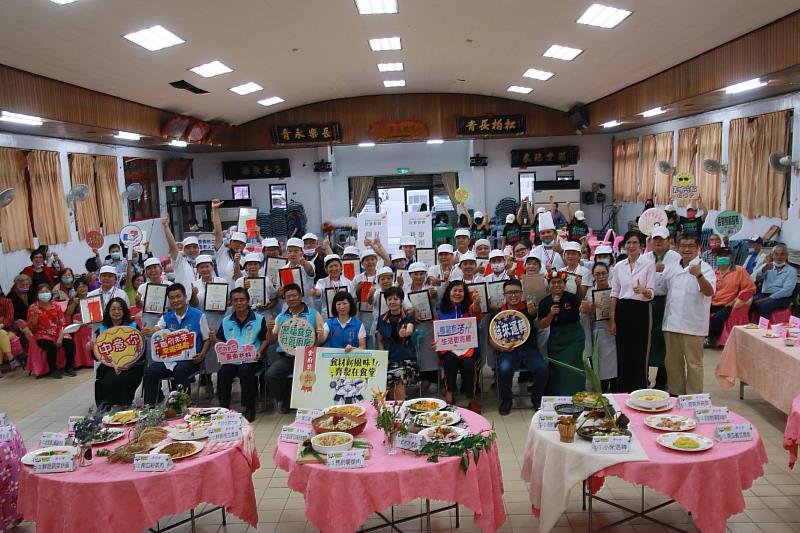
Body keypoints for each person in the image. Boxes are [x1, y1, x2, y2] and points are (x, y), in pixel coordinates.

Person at [662, 234, 716, 395]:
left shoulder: (705, 268)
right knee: (672, 363)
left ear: (698, 248)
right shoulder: (672, 267)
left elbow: (709, 292)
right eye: (683, 246)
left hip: (693, 326)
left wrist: (698, 275)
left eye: (691, 246)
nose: (686, 249)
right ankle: (675, 393)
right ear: (677, 248)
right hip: (671, 324)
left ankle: (694, 398)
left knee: (694, 364)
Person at [141, 284, 211, 405]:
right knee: (150, 371)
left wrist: (202, 354)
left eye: (178, 296)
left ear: (185, 297)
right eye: (172, 298)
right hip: (169, 359)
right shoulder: (167, 317)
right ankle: (149, 407)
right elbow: (157, 328)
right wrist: (150, 331)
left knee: (180, 370)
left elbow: (207, 339)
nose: (175, 300)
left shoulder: (198, 315)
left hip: (192, 359)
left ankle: (184, 406)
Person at [490, 278, 547, 415]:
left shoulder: (530, 309)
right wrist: (501, 348)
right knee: (504, 370)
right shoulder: (498, 313)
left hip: (529, 350)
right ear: (504, 295)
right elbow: (491, 339)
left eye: (516, 292)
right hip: (508, 352)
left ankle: (537, 399)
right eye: (509, 293)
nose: (513, 295)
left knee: (542, 368)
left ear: (522, 293)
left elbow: (538, 321)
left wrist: (534, 313)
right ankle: (507, 400)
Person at [610, 230, 655, 392]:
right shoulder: (618, 266)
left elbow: (651, 293)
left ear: (641, 245)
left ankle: (640, 388)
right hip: (622, 310)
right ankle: (623, 389)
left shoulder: (648, 264)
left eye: (634, 242)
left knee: (640, 350)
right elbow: (614, 293)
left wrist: (643, 290)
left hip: (640, 310)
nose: (631, 246)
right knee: (623, 350)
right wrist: (612, 319)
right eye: (628, 243)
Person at [267, 283, 323, 413]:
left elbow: (322, 335)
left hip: (307, 356)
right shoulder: (281, 317)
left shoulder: (314, 314)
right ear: (285, 299)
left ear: (301, 296)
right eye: (288, 297)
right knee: (271, 375)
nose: (291, 299)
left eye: (294, 295)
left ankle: (308, 404)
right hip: (286, 357)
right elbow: (271, 341)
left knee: (311, 376)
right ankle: (283, 400)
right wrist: (269, 331)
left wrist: (317, 341)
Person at [215, 288, 269, 422]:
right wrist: (217, 345)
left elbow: (265, 339)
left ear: (248, 301)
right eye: (235, 300)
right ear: (231, 302)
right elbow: (220, 339)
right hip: (232, 359)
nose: (239, 303)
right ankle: (224, 408)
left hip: (252, 359)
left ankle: (249, 407)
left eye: (242, 300)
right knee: (223, 372)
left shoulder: (259, 319)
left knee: (245, 370)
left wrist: (260, 351)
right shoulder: (226, 321)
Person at [437, 281, 482, 412]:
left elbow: (477, 314)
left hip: (469, 350)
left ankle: (472, 399)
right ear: (448, 293)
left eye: (461, 291)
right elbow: (437, 334)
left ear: (465, 294)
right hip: (449, 350)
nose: (457, 293)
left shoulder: (470, 308)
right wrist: (436, 343)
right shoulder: (441, 312)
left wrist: (477, 304)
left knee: (469, 364)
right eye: (454, 290)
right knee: (449, 361)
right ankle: (449, 396)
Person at [646, 227, 681, 390]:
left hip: (668, 302)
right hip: (649, 302)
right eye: (655, 239)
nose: (658, 242)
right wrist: (653, 269)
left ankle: (662, 380)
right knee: (647, 339)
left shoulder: (676, 258)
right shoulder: (645, 258)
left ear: (668, 241)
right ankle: (644, 378)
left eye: (662, 239)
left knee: (665, 341)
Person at [92, 298, 144, 408]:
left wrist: (132, 363)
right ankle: (106, 409)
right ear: (108, 312)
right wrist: (92, 348)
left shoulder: (133, 328)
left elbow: (142, 349)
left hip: (132, 366)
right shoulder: (102, 330)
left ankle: (124, 407)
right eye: (113, 309)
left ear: (124, 311)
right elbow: (97, 357)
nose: (116, 312)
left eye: (120, 309)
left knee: (123, 379)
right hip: (109, 366)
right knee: (106, 380)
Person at [538, 271, 585, 395]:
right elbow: (542, 324)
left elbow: (585, 308)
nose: (557, 285)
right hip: (556, 338)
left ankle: (576, 394)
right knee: (557, 368)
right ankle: (557, 395)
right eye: (553, 282)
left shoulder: (572, 298)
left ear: (564, 284)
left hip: (574, 337)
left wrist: (589, 307)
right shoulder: (545, 302)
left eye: (560, 282)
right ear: (549, 285)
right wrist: (551, 314)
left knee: (572, 366)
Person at [707, 247, 755, 347]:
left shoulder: (739, 270)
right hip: (712, 302)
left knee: (718, 318)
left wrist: (737, 300)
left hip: (729, 304)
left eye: (726, 256)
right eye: (720, 256)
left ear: (731, 257)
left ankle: (712, 340)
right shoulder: (713, 272)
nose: (722, 258)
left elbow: (749, 288)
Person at [580, 262, 617, 391]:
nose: (601, 277)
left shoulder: (615, 289)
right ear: (593, 276)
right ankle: (602, 386)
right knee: (601, 364)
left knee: (616, 362)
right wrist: (593, 307)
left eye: (603, 273)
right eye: (597, 274)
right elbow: (587, 313)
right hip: (599, 329)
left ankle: (615, 386)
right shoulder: (590, 293)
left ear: (608, 274)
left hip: (614, 328)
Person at [376, 286, 417, 401]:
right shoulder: (381, 319)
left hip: (405, 359)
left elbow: (409, 329)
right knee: (388, 392)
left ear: (401, 301)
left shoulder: (408, 317)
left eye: (395, 299)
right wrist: (382, 356)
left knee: (398, 379)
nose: (392, 302)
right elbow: (379, 339)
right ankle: (396, 409)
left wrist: (405, 333)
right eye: (389, 299)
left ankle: (400, 409)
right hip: (389, 359)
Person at [27, 283, 75, 378]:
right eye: (41, 292)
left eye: (46, 291)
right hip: (42, 334)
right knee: (51, 347)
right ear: (37, 294)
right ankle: (53, 369)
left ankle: (69, 367)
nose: (44, 294)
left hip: (58, 332)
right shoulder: (33, 307)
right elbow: (32, 326)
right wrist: (35, 315)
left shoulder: (56, 305)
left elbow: (62, 323)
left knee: (70, 343)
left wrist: (60, 338)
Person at [753, 244, 797, 318]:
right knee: (748, 303)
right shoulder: (768, 265)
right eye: (776, 254)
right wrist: (764, 269)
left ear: (786, 256)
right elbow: (757, 279)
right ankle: (748, 326)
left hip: (782, 298)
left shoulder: (791, 271)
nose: (779, 257)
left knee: (764, 306)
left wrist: (767, 299)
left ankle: (764, 328)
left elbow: (787, 291)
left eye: (782, 254)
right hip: (764, 294)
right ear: (772, 255)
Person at [351, 248, 379, 348]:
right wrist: (358, 291)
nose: (370, 262)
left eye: (372, 259)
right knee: (363, 338)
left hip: (377, 313)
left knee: (375, 340)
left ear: (376, 261)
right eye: (367, 260)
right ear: (362, 263)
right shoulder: (357, 278)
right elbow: (352, 299)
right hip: (362, 314)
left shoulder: (381, 276)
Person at [313, 254, 354, 320]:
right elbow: (318, 291)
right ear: (326, 269)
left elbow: (353, 298)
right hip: (327, 317)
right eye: (331, 266)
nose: (334, 268)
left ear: (341, 267)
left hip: (345, 316)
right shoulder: (321, 282)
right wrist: (315, 292)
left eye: (336, 266)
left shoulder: (348, 282)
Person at [279, 237, 317, 308]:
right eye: (290, 251)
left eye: (296, 251)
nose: (292, 254)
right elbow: (280, 291)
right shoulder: (283, 269)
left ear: (302, 252)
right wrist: (279, 292)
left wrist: (305, 264)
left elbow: (310, 271)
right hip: (288, 307)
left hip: (306, 305)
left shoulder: (308, 264)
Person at [0, 286, 21, 370]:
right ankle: (11, 358)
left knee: (2, 333)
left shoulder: (7, 301)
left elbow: (10, 318)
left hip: (9, 330)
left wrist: (2, 324)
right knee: (1, 334)